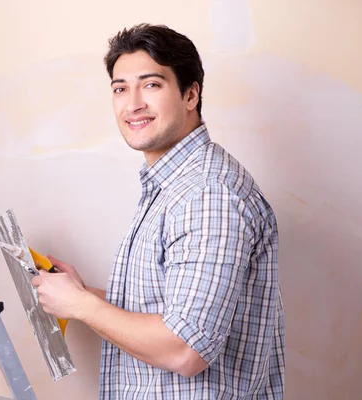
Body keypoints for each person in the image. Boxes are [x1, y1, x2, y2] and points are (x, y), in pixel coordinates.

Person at [31, 23, 285, 399]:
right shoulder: (173, 186)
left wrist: (81, 306)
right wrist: (84, 294)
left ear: (190, 95)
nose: (132, 104)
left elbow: (186, 348)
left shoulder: (207, 195)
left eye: (151, 85)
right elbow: (171, 309)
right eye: (120, 88)